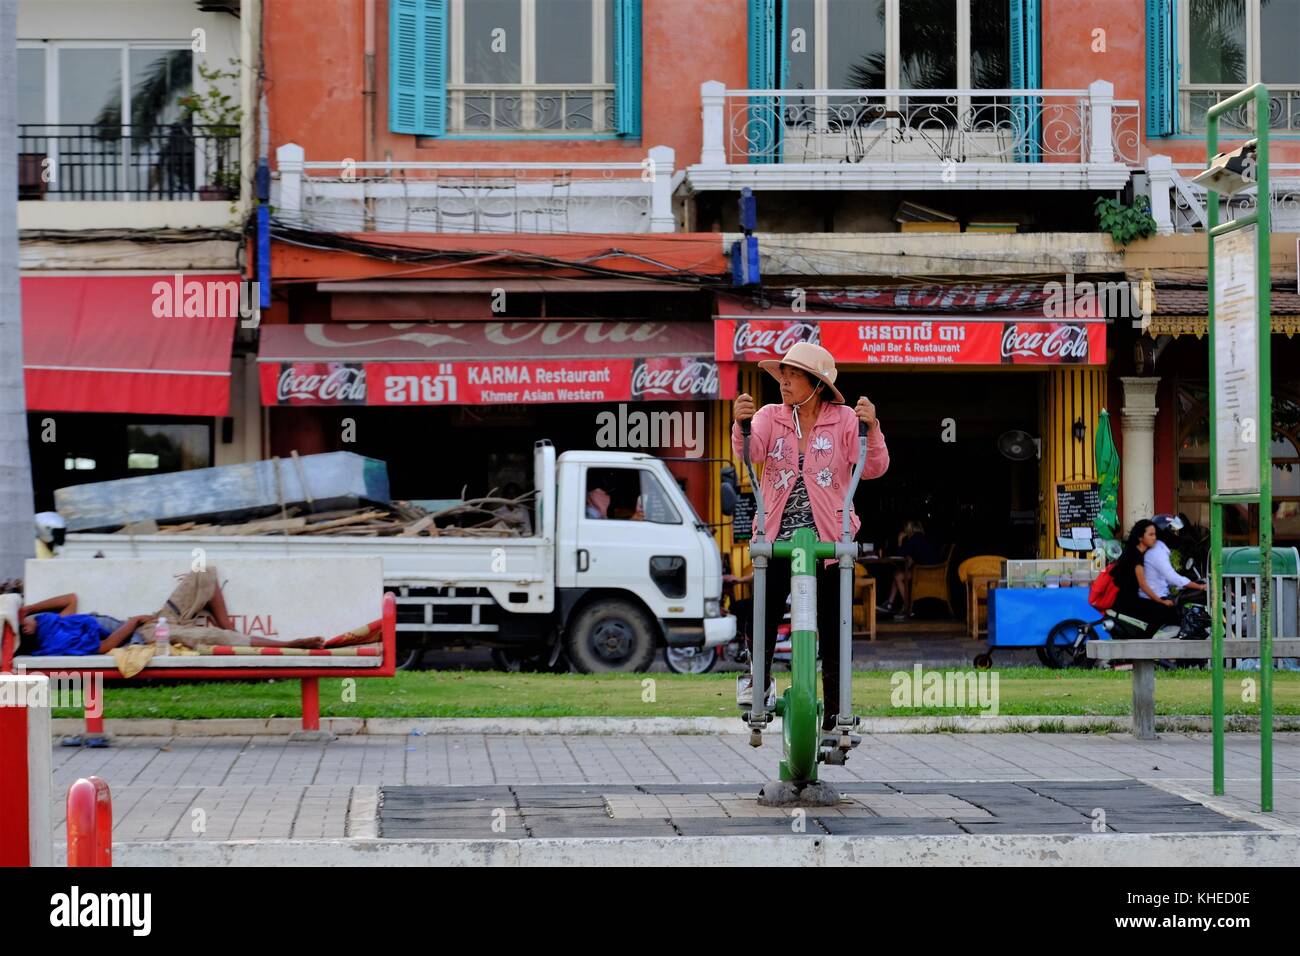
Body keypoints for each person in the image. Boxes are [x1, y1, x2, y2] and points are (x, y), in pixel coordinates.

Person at [732, 341, 890, 730]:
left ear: (817, 384)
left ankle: (837, 712)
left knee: (834, 627)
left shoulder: (845, 421)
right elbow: (750, 453)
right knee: (762, 617)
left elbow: (873, 468)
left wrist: (872, 427)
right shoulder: (771, 415)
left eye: (793, 374)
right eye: (782, 374)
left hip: (830, 542)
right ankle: (760, 686)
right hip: (777, 538)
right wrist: (742, 425)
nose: (784, 381)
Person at [17, 568, 328, 655]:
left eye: (26, 619)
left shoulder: (56, 622)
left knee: (202, 574)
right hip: (142, 635)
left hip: (151, 620)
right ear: (27, 638)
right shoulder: (54, 644)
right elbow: (103, 648)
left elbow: (69, 598)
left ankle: (234, 631)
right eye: (22, 626)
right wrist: (134, 622)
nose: (27, 622)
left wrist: (28, 607)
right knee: (212, 636)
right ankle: (289, 645)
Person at [1108, 519, 1182, 638]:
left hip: (1129, 598)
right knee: (1164, 609)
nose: (1154, 538)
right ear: (1140, 537)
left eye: (1155, 535)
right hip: (1127, 601)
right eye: (1150, 535)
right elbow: (1143, 584)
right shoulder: (1135, 556)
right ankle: (1147, 641)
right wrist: (1161, 600)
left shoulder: (1136, 552)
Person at [879, 519, 937, 620]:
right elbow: (918, 554)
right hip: (929, 570)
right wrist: (912, 559)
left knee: (898, 576)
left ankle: (907, 607)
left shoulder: (914, 538)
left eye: (906, 529)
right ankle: (890, 603)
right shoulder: (921, 537)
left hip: (924, 572)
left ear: (910, 528)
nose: (905, 531)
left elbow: (901, 553)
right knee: (897, 574)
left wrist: (900, 540)